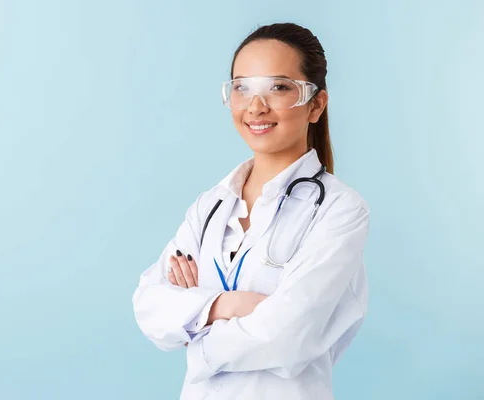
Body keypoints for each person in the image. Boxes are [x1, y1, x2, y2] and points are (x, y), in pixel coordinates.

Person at [132, 22, 370, 400]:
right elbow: (150, 307)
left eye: (277, 87)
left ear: (316, 104)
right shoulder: (211, 205)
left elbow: (288, 337)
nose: (256, 106)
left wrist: (196, 334)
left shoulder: (340, 210)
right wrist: (229, 305)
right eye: (242, 87)